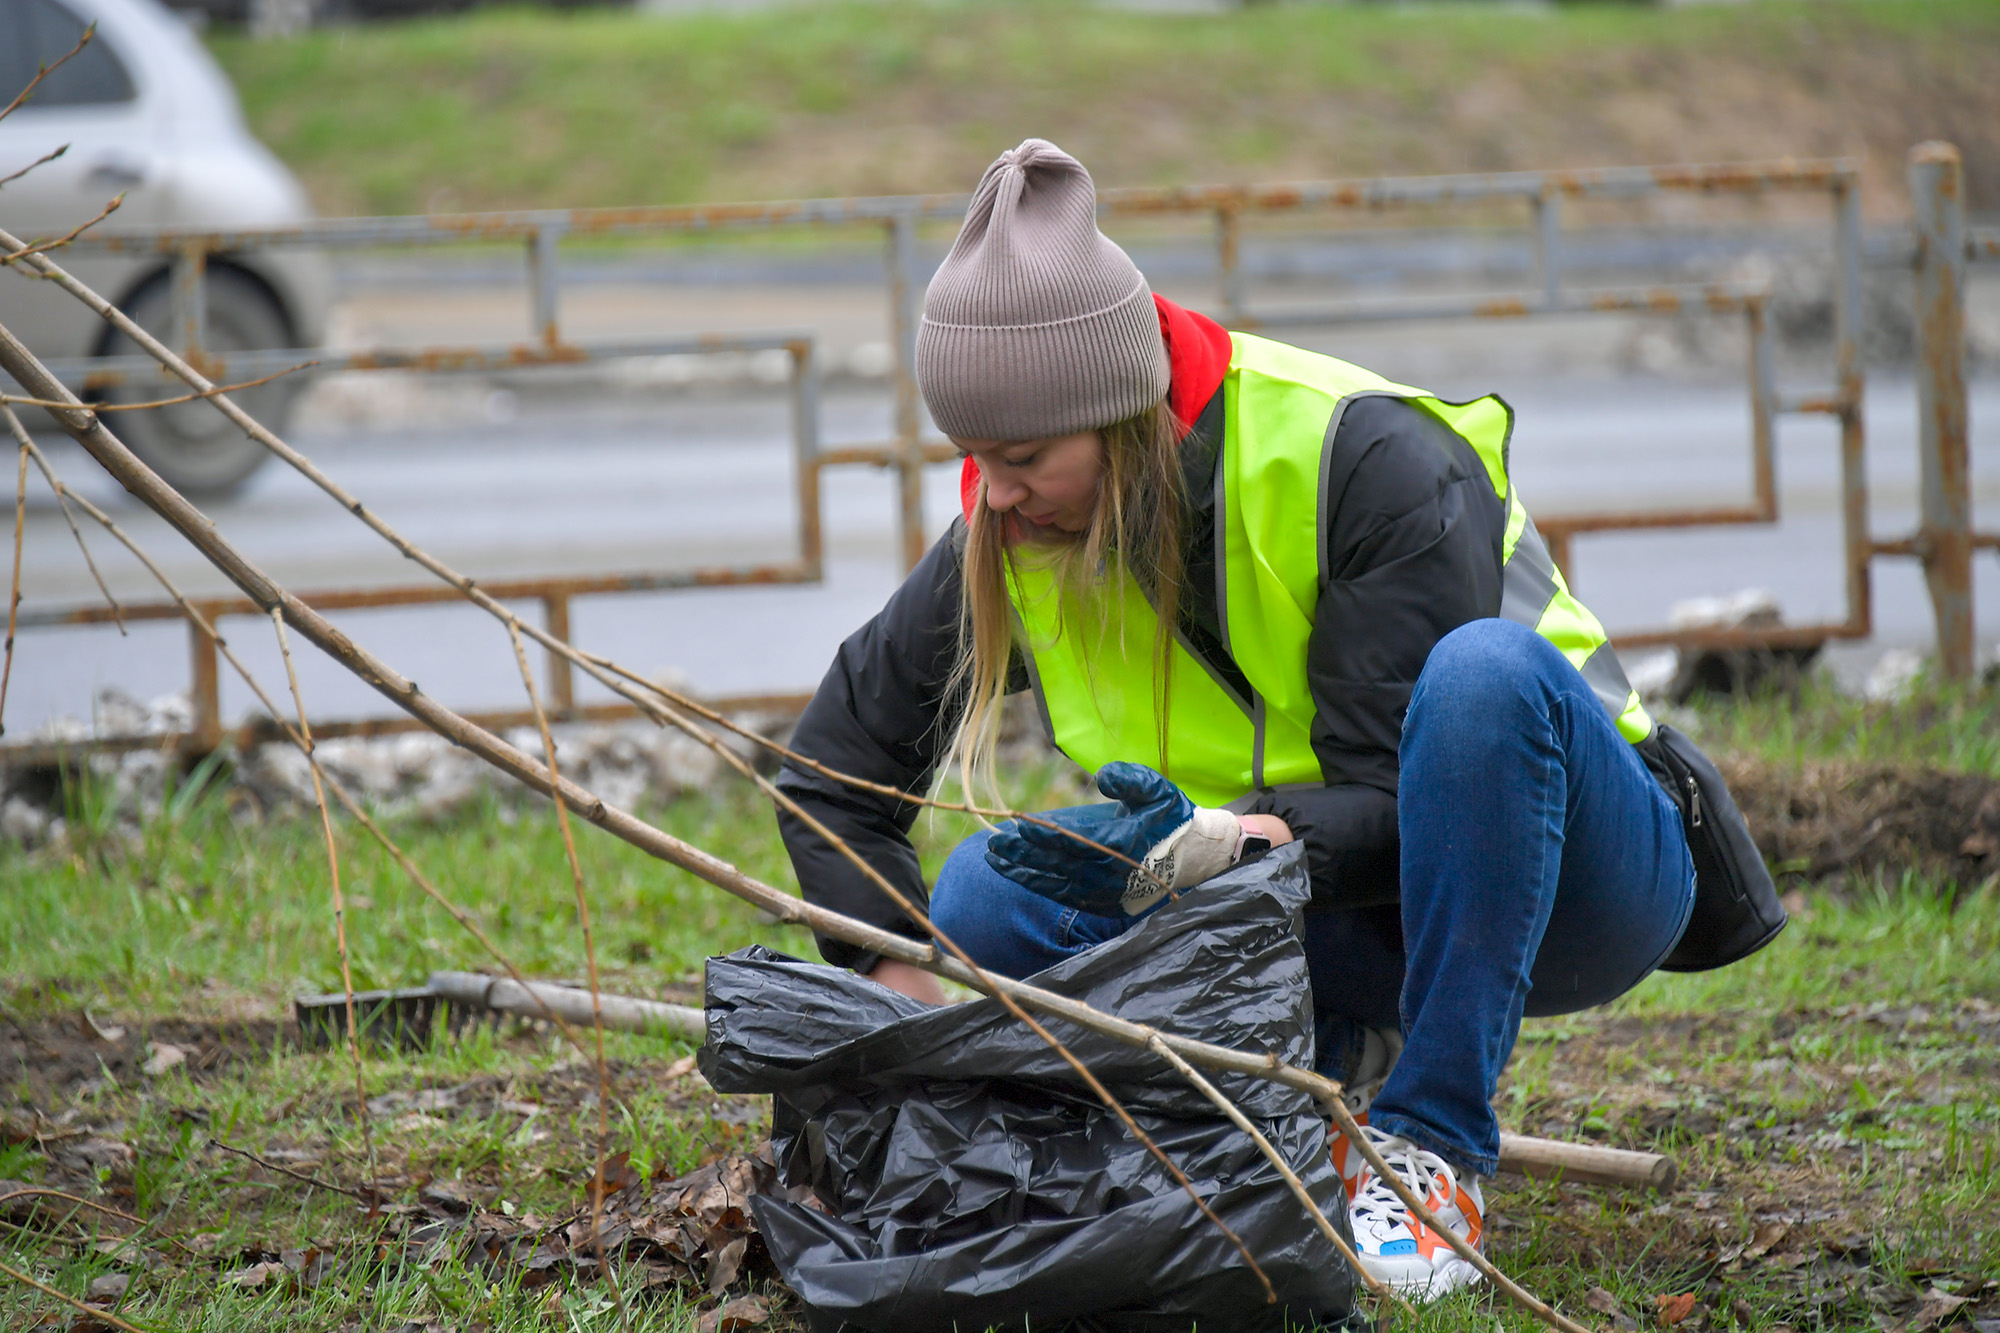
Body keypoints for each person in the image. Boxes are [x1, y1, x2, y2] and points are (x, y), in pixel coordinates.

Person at [773, 139, 1782, 1299]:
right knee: (982, 892)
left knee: (1485, 676)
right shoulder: (1013, 527)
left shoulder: (1363, 457)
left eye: (1022, 458)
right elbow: (834, 772)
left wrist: (1248, 840)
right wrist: (894, 970)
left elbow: (1418, 795)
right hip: (1306, 909)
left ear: (1123, 417)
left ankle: (1429, 1148)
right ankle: (1317, 1077)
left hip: (1565, 882)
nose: (991, 493)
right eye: (971, 458)